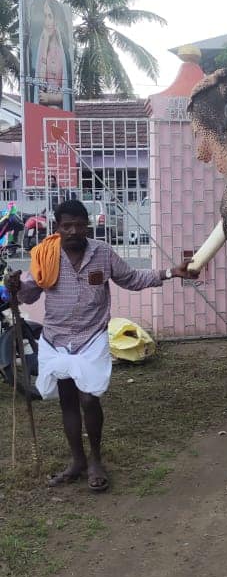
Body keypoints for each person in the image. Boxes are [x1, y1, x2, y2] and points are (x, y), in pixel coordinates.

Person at [6, 199, 192, 492]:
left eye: (79, 225)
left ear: (87, 226)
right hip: (56, 339)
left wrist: (170, 273)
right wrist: (16, 289)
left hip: (91, 337)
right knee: (67, 400)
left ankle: (95, 460)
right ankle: (77, 462)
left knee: (90, 399)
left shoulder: (102, 253)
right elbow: (30, 294)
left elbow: (131, 279)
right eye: (67, 225)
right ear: (57, 227)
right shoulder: (45, 254)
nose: (73, 231)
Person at [35, 0, 67, 107]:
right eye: (45, 16)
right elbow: (40, 83)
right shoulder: (42, 44)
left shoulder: (63, 49)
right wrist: (45, 45)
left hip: (59, 110)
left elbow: (67, 91)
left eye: (50, 16)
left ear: (57, 20)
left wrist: (50, 98)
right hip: (43, 109)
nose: (47, 21)